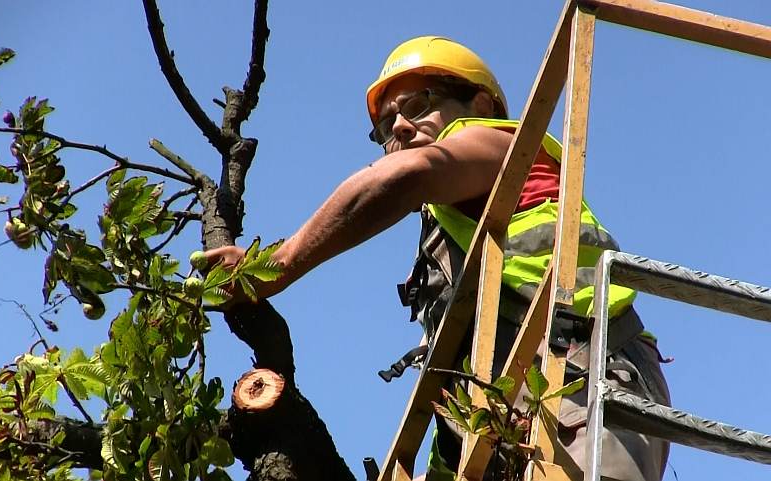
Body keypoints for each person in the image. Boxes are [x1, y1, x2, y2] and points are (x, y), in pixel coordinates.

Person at [206, 36, 670, 481]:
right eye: (387, 126)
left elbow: (401, 177)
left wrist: (277, 264)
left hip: (586, 374)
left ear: (481, 106)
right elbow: (463, 380)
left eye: (418, 105)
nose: (400, 128)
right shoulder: (455, 232)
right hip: (520, 413)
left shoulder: (504, 145)